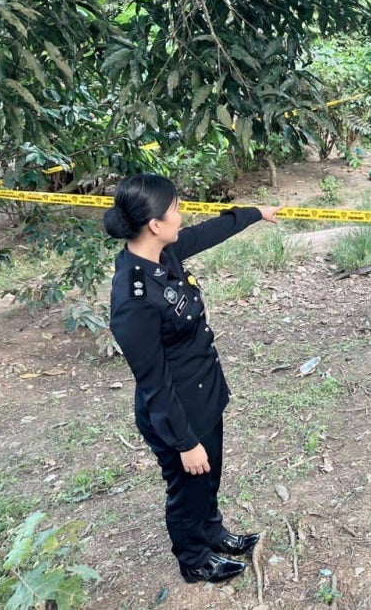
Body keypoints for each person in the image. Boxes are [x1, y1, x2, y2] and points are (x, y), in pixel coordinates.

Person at [103, 173, 279, 584]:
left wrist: (255, 214)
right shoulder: (133, 299)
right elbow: (154, 382)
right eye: (176, 210)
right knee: (187, 488)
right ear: (155, 225)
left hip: (203, 392)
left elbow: (208, 232)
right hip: (176, 411)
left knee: (210, 474)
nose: (183, 216)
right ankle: (195, 558)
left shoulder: (162, 253)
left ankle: (213, 531)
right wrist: (185, 443)